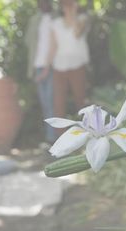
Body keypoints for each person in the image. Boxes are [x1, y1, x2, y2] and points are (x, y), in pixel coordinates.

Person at [37, 0, 90, 136]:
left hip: (77, 66)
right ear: (62, 6)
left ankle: (89, 135)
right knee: (58, 105)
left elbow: (77, 33)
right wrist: (46, 69)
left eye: (71, 4)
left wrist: (73, 14)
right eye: (66, 4)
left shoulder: (82, 19)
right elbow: (53, 48)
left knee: (81, 102)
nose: (68, 6)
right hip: (59, 68)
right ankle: (58, 141)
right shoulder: (55, 24)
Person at [25, 0, 56, 142]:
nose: (43, 4)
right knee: (45, 104)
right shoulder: (35, 20)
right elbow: (28, 41)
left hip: (53, 67)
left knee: (52, 103)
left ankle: (53, 139)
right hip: (37, 66)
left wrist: (47, 67)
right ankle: (50, 138)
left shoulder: (57, 18)